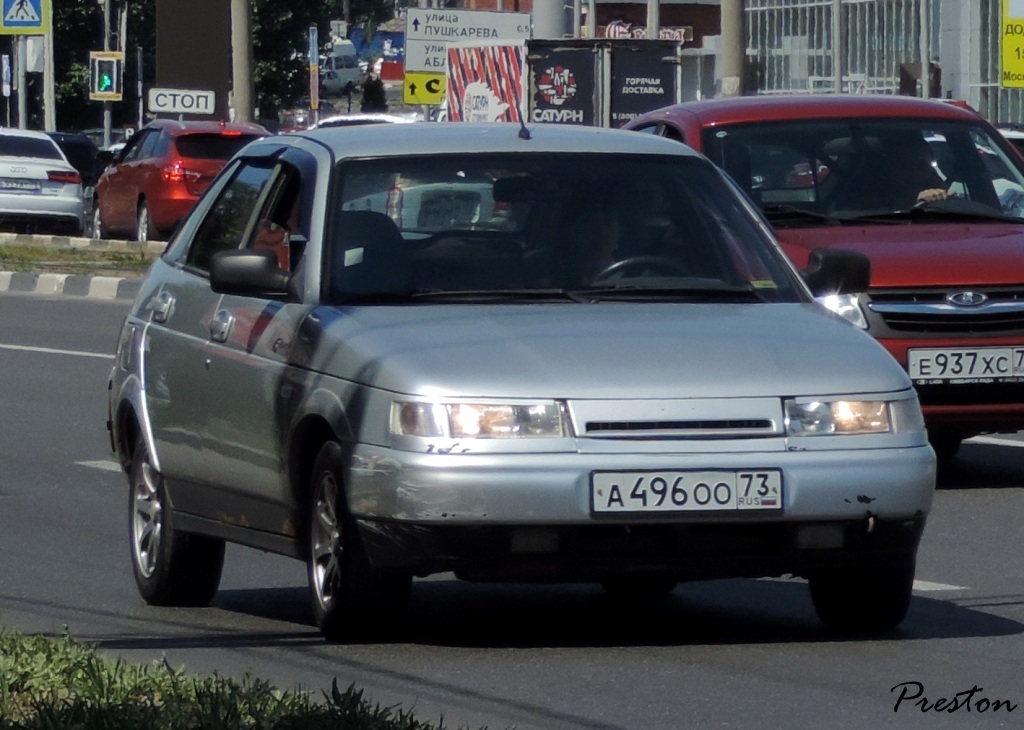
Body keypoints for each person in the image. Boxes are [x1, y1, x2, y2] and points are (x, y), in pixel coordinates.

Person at [889, 135, 949, 207]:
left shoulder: (939, 191)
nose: (915, 173)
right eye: (907, 165)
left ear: (931, 167)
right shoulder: (880, 197)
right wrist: (919, 204)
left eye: (922, 165)